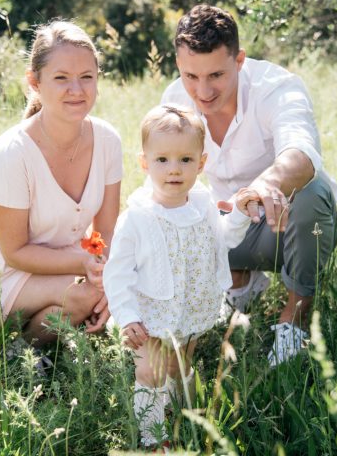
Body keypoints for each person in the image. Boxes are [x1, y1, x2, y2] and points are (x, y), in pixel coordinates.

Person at [161, 5, 337, 367]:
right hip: (225, 229)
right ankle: (239, 282)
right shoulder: (175, 101)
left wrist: (262, 187)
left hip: (284, 225)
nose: (203, 90)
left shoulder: (276, 86)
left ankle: (296, 315)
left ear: (239, 60)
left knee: (315, 192)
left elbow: (302, 153)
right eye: (190, 76)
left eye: (216, 74)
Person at [0, 20, 122, 347]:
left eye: (87, 77)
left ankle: (51, 338)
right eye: (61, 78)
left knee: (117, 281)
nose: (77, 90)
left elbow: (106, 231)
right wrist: (89, 270)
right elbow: (14, 252)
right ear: (34, 82)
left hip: (61, 266)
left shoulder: (107, 141)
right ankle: (18, 360)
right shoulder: (12, 154)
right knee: (85, 296)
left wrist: (105, 273)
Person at [103, 104, 260, 448]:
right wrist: (126, 315)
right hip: (149, 313)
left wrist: (240, 214)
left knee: (179, 365)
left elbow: (223, 238)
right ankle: (154, 439)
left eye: (185, 160)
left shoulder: (202, 204)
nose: (174, 170)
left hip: (191, 307)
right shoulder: (138, 217)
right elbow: (117, 273)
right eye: (162, 160)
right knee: (150, 371)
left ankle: (186, 412)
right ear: (145, 162)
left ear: (201, 163)